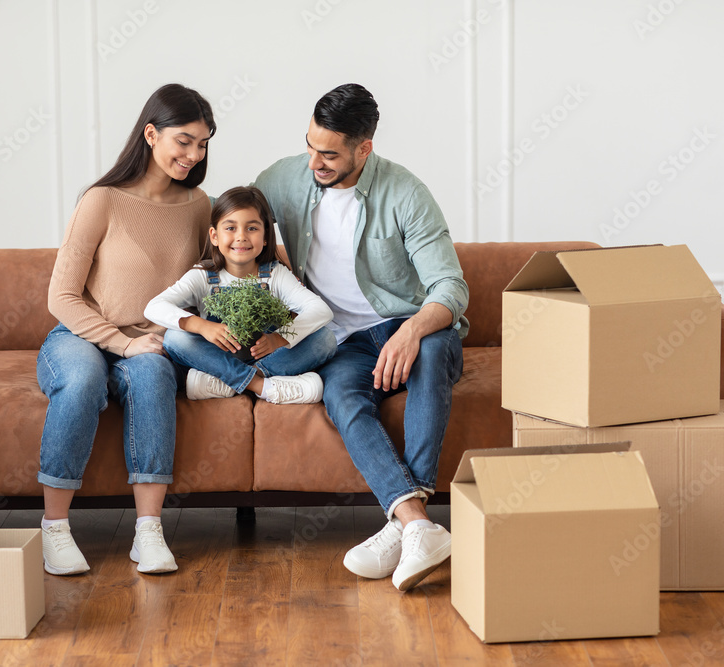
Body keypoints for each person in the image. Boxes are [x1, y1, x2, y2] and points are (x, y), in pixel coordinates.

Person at [254, 83, 469, 591]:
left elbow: (450, 285)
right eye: (309, 146)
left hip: (406, 327)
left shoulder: (406, 193)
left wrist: (412, 329)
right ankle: (416, 523)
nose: (314, 162)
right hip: (340, 339)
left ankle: (403, 524)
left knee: (433, 346)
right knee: (341, 394)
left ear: (363, 148)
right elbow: (227, 218)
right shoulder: (283, 178)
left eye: (328, 153)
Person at [37, 83, 215, 576]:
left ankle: (148, 531)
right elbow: (62, 296)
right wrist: (122, 342)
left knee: (155, 374)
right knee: (82, 381)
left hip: (152, 340)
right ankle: (54, 528)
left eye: (202, 143)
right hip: (82, 334)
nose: (193, 154)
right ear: (151, 133)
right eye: (184, 140)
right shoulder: (102, 200)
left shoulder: (200, 206)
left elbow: (209, 279)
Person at [144, 186, 336, 404]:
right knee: (174, 337)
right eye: (231, 228)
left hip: (265, 358)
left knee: (326, 339)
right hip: (218, 357)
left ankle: (228, 382)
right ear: (214, 236)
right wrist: (202, 326)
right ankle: (259, 385)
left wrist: (278, 338)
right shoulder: (203, 276)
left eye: (252, 228)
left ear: (265, 237)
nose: (241, 237)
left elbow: (321, 310)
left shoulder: (275, 275)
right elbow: (153, 307)